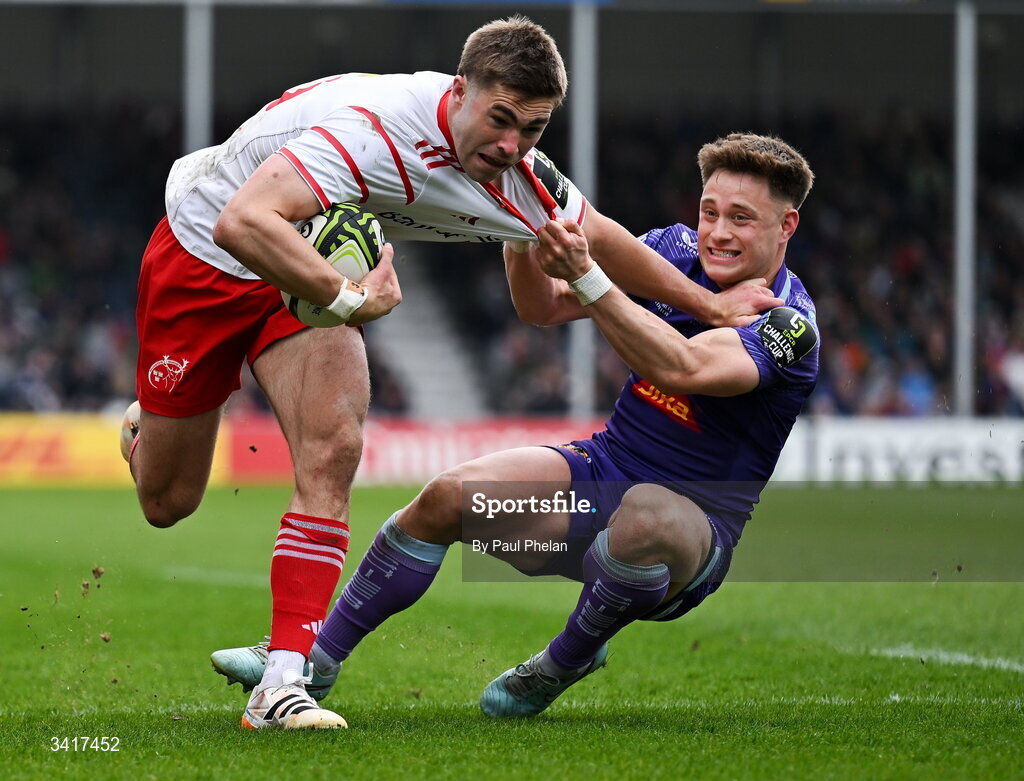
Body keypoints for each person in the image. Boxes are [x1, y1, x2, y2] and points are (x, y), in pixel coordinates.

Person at [129, 15, 782, 731]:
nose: (511, 144)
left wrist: (711, 305)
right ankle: (145, 432)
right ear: (460, 90)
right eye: (501, 119)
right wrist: (350, 298)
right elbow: (243, 223)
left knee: (333, 448)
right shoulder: (373, 134)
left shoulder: (517, 172)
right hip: (207, 256)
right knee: (168, 500)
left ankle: (285, 681)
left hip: (314, 254)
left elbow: (596, 236)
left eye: (531, 129)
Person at [211, 132, 820, 718]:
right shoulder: (675, 251)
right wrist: (522, 227)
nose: (716, 231)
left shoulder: (791, 324)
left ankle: (563, 662)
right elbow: (540, 306)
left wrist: (587, 273)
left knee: (646, 515)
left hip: (689, 537)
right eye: (710, 210)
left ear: (786, 226)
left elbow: (680, 365)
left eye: (741, 218)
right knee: (446, 498)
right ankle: (315, 660)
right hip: (597, 482)